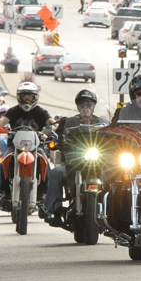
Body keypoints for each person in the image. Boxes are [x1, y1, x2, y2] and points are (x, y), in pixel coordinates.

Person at [43, 89, 107, 226]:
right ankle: (52, 210)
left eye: (88, 105)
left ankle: (118, 211)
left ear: (93, 106)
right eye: (82, 105)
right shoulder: (68, 122)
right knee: (55, 173)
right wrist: (54, 141)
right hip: (73, 163)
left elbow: (113, 138)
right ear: (78, 107)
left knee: (119, 175)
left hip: (98, 164)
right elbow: (56, 136)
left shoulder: (103, 123)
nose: (85, 108)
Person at [0, 82, 53, 202]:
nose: (27, 100)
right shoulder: (13, 111)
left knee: (45, 163)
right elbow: (2, 121)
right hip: (14, 146)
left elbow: (50, 121)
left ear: (36, 98)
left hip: (36, 146)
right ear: (19, 97)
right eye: (24, 97)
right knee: (2, 162)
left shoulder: (41, 112)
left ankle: (45, 192)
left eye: (30, 97)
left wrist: (54, 127)